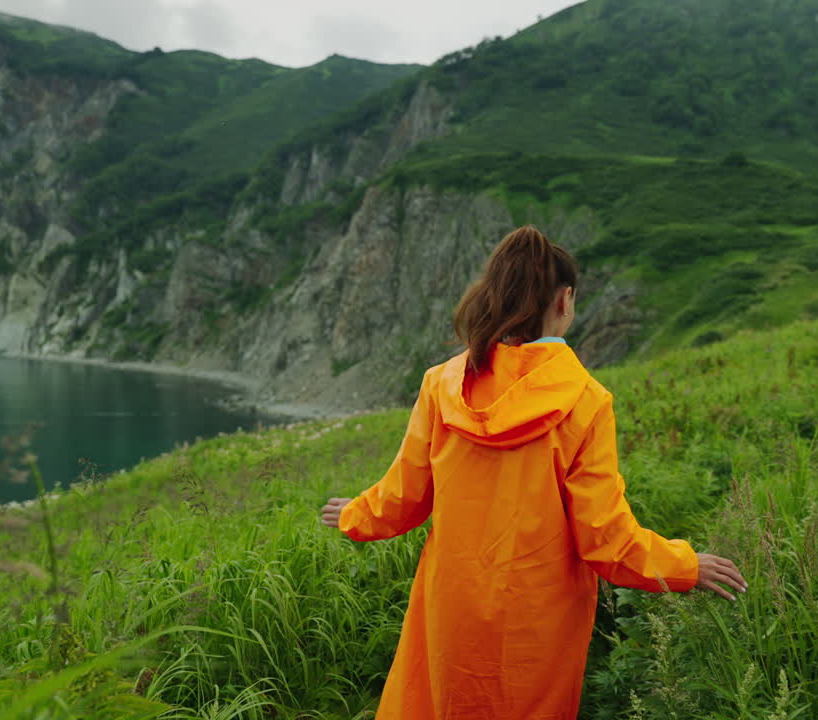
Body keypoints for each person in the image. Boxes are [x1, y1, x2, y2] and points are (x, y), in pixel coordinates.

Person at [320, 226, 747, 719]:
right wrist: (685, 565)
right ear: (564, 300)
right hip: (537, 623)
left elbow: (405, 495)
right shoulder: (586, 400)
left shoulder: (443, 385)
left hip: (452, 606)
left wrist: (354, 514)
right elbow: (605, 538)